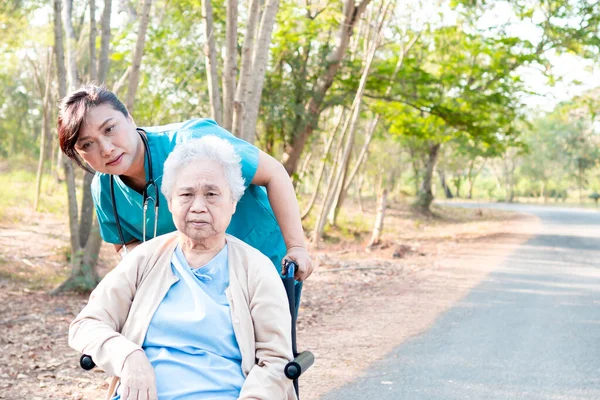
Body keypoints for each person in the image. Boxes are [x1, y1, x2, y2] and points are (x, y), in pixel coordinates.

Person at [69, 136, 297, 400]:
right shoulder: (144, 258)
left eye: (212, 194)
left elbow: (276, 360)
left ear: (233, 202)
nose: (198, 207)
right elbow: (86, 324)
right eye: (186, 194)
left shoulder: (256, 269)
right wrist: (128, 356)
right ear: (170, 202)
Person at [57, 84, 312, 285]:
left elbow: (274, 173)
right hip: (194, 282)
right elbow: (126, 244)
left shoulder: (193, 142)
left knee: (267, 346)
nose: (106, 148)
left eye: (110, 129)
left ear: (130, 118)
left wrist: (297, 247)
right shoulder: (105, 190)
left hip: (262, 257)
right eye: (87, 145)